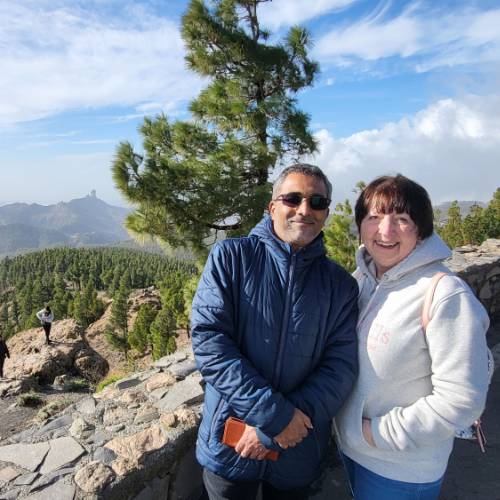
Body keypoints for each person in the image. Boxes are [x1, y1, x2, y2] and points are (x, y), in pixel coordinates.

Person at [191, 163, 359, 500]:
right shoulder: (231, 258)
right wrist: (276, 417)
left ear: (326, 213)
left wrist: (274, 431)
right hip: (232, 443)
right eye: (293, 199)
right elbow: (210, 342)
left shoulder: (340, 285)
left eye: (317, 202)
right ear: (272, 208)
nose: (304, 210)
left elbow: (340, 368)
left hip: (297, 452)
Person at [334, 174, 490, 500]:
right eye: (374, 217)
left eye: (402, 219)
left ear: (421, 229)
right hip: (352, 451)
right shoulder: (361, 281)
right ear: (360, 225)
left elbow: (462, 400)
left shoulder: (445, 294)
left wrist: (375, 434)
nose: (386, 230)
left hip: (401, 470)